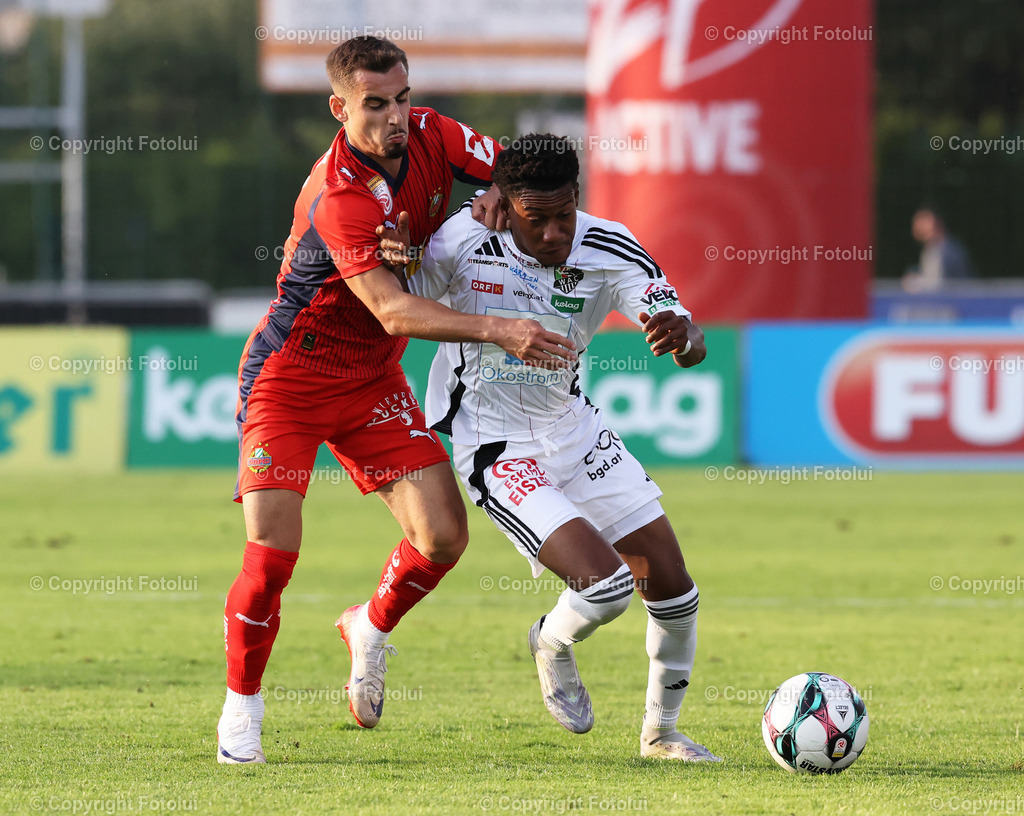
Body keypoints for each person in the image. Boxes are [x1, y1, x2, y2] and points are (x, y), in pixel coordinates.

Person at [217, 39, 575, 764]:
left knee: (443, 537)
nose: (395, 116)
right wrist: (500, 329)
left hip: (372, 380)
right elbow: (391, 310)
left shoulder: (435, 134)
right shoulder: (339, 196)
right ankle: (242, 709)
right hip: (291, 378)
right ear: (340, 108)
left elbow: (519, 165)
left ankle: (369, 627)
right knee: (272, 559)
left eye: (402, 98)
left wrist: (500, 189)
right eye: (375, 104)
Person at [397, 133, 720, 761]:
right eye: (535, 218)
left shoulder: (610, 247)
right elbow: (402, 305)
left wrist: (685, 338)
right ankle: (550, 640)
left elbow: (690, 338)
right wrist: (402, 258)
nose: (553, 234)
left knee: (675, 592)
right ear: (504, 203)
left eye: (564, 215)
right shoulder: (463, 238)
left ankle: (661, 734)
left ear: (578, 198)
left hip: (573, 428)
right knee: (606, 588)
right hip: (494, 442)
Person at [902, 208, 973, 293]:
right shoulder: (932, 249)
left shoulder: (948, 250)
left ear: (937, 224)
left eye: (923, 221)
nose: (917, 226)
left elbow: (937, 286)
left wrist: (915, 283)